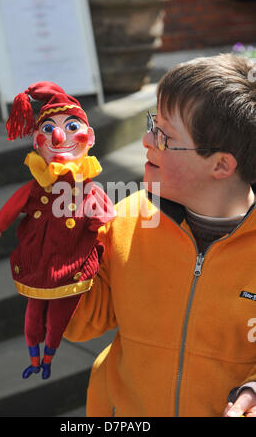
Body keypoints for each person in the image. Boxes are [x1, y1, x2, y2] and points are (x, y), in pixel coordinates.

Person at [64, 53, 256, 417]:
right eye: (153, 123)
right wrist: (59, 254)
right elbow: (78, 324)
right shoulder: (122, 220)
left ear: (221, 165)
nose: (146, 140)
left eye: (165, 136)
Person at [0, 82, 115, 380]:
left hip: (72, 261)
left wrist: (107, 239)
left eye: (71, 126)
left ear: (89, 138)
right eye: (49, 129)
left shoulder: (88, 189)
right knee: (34, 314)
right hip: (38, 256)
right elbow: (14, 205)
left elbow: (106, 223)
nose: (59, 136)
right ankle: (35, 356)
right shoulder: (37, 184)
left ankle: (48, 359)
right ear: (36, 141)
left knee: (59, 318)